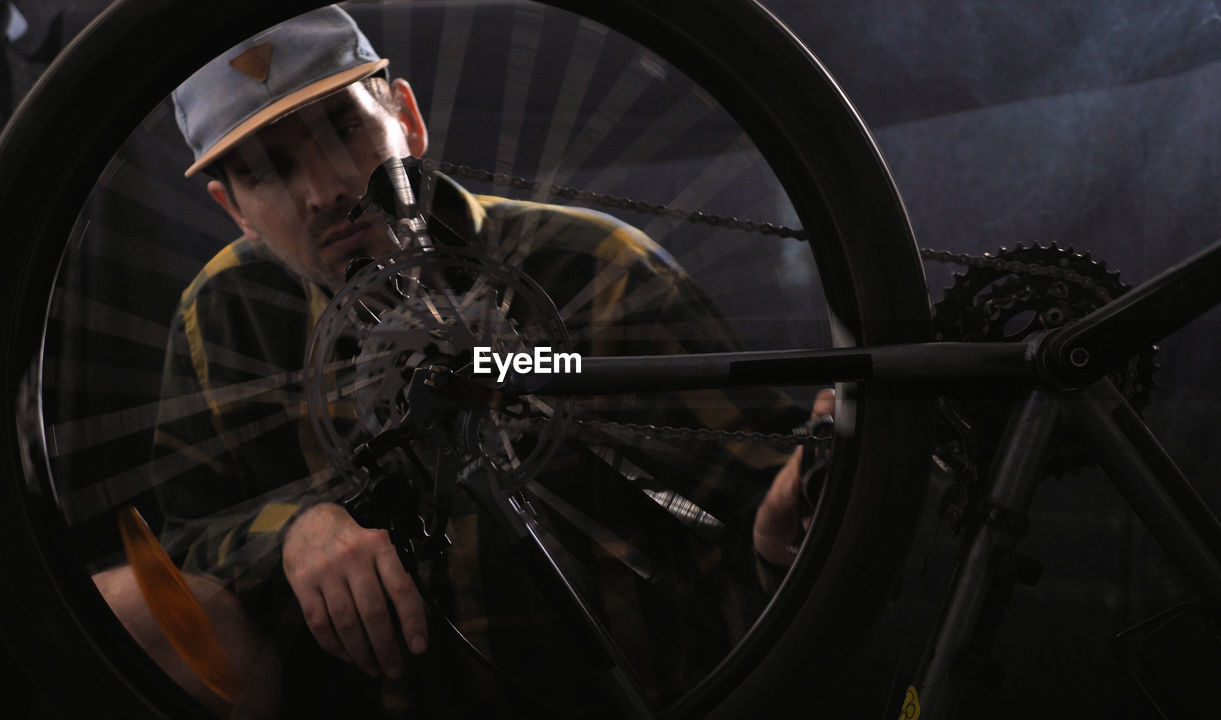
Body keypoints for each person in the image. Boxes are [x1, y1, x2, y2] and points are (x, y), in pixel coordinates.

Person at [139, 5, 811, 717]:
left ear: (406, 118)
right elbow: (186, 549)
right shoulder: (224, 315)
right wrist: (293, 534)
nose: (326, 190)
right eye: (270, 171)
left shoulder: (594, 266)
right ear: (233, 209)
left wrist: (791, 506)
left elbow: (766, 489)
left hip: (649, 699)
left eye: (342, 129)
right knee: (120, 605)